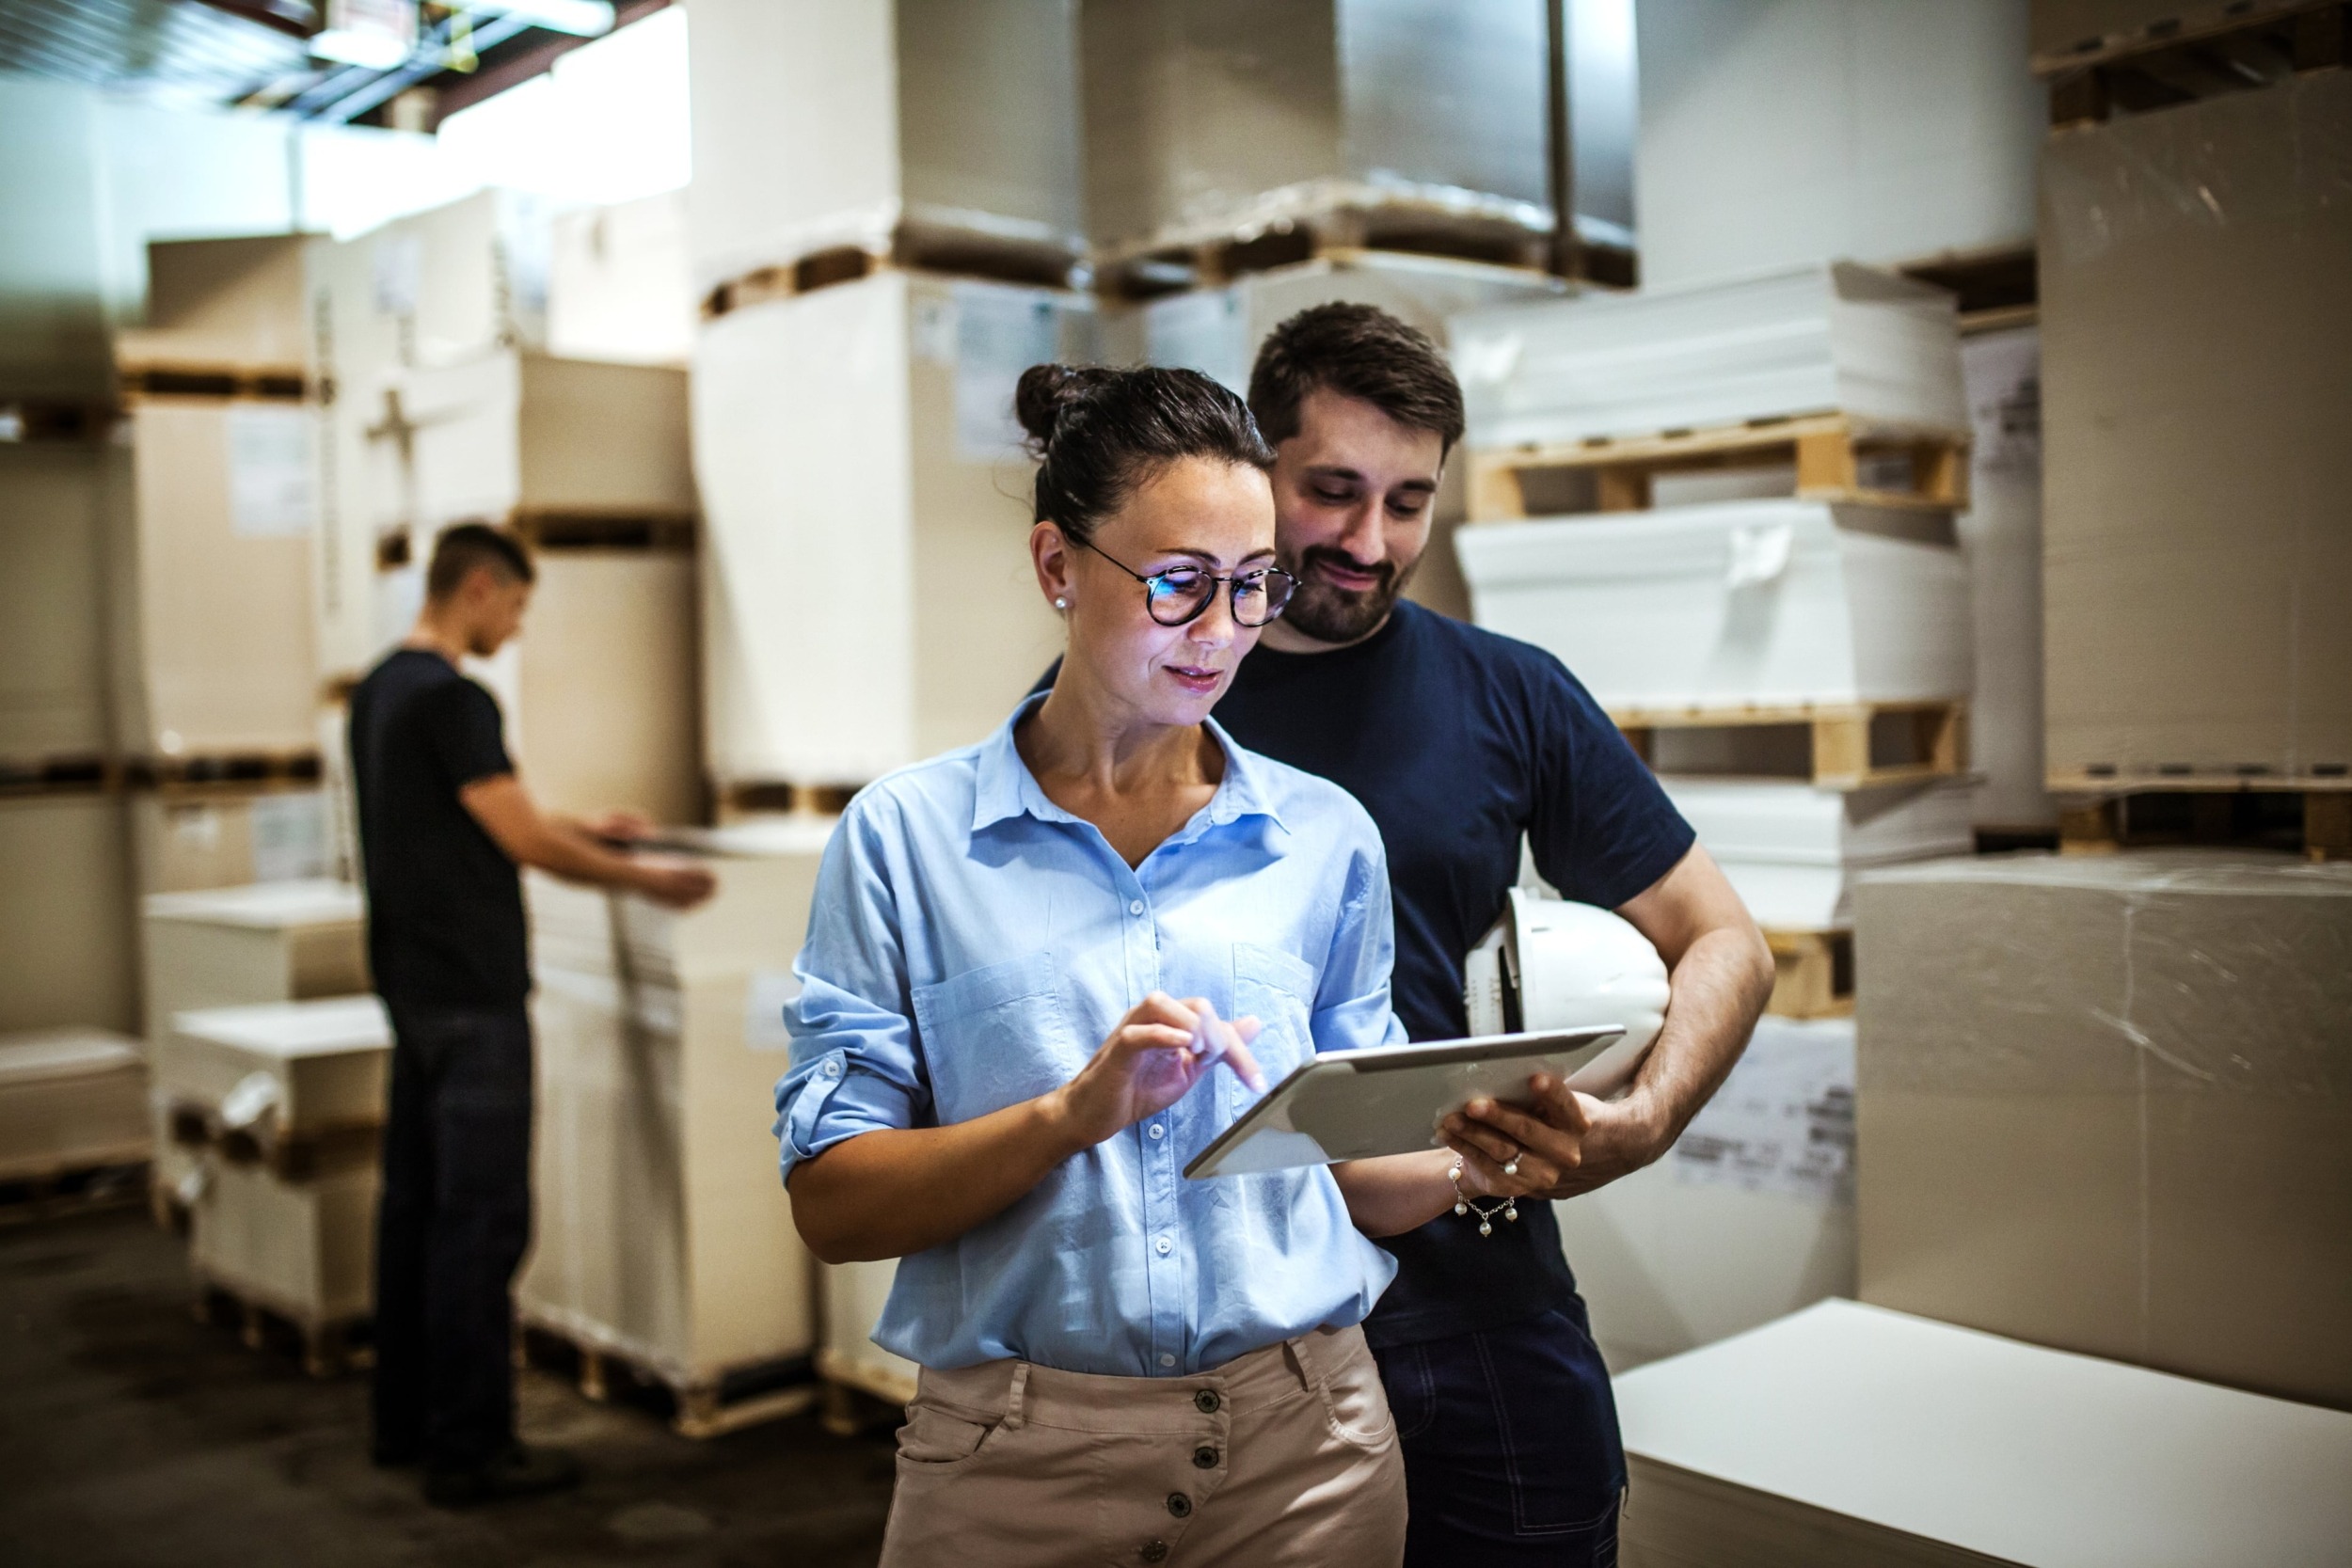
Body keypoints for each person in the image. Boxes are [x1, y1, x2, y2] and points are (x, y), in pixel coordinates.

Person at [773, 365, 1550, 1568]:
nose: (1221, 632)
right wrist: (1069, 1113)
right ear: (1056, 566)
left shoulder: (1325, 835)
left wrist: (1478, 1150)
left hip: (1311, 1453)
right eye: (1180, 583)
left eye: (1252, 587)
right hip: (1013, 1467)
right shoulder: (905, 842)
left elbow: (1350, 1174)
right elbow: (832, 1202)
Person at [1182, 305, 1774, 1563]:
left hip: (1480, 1301)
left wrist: (1644, 1117)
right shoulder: (1158, 694)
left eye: (1409, 501)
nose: (1367, 540)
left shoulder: (1508, 691)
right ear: (1255, 469)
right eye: (1332, 491)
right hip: (1232, 1318)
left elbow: (1724, 936)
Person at [348, 523, 715, 1507]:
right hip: (473, 998)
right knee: (482, 1221)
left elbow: (473, 813)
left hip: (413, 991)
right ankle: (473, 1448)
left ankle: (404, 1421)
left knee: (413, 1211)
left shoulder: (382, 688)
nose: (514, 625)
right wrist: (645, 875)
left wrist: (584, 825)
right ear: (478, 587)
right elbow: (518, 838)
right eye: (514, 605)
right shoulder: (456, 697)